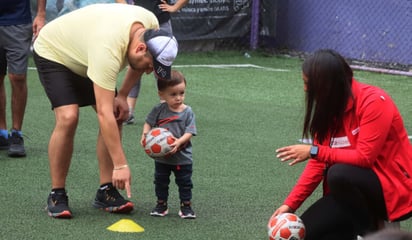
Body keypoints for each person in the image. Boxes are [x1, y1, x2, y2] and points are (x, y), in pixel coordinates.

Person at [32, 3, 178, 219]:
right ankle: (57, 194)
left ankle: (105, 192)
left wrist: (122, 95)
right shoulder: (108, 48)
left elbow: (136, 67)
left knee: (117, 113)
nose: (149, 72)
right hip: (55, 52)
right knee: (69, 117)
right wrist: (121, 165)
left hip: (86, 51)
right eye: (150, 65)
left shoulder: (151, 27)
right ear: (140, 49)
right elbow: (103, 113)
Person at [272, 49, 412, 239]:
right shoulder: (329, 111)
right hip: (351, 197)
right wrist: (289, 205)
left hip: (394, 190)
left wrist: (314, 150)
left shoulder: (374, 102)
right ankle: (357, 229)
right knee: (305, 233)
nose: (305, 89)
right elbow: (317, 164)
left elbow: (364, 157)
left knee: (337, 173)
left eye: (308, 83)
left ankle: (371, 232)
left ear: (326, 85)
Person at [140, 70, 197, 219]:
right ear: (162, 95)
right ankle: (161, 205)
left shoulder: (188, 112)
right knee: (160, 182)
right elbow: (148, 122)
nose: (179, 98)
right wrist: (145, 135)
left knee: (185, 183)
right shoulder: (159, 110)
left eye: (182, 93)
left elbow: (190, 131)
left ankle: (186, 207)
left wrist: (179, 141)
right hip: (162, 159)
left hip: (182, 158)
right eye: (173, 94)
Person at [124, 0, 188, 125]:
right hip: (136, 21)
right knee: (136, 63)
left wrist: (175, 7)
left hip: (160, 22)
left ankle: (168, 109)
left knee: (160, 67)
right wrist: (126, 9)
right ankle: (128, 110)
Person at [0, 0, 46, 157]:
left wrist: (41, 14)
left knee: (17, 77)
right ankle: (2, 133)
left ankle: (16, 133)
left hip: (18, 21)